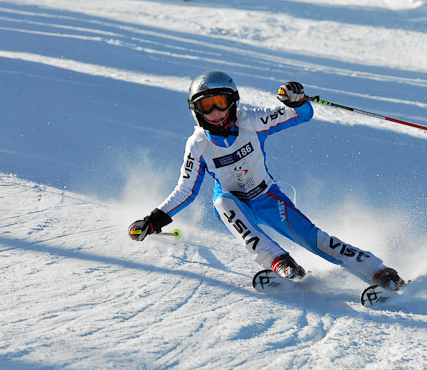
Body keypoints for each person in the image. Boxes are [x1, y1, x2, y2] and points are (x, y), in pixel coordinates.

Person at [128, 71, 405, 291]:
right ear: (196, 110)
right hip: (235, 202)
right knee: (223, 203)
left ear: (232, 100)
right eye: (206, 105)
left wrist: (296, 99)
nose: (215, 112)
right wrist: (152, 220)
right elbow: (186, 190)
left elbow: (302, 115)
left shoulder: (252, 120)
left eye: (221, 102)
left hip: (268, 197)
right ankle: (279, 261)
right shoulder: (198, 144)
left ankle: (376, 270)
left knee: (314, 239)